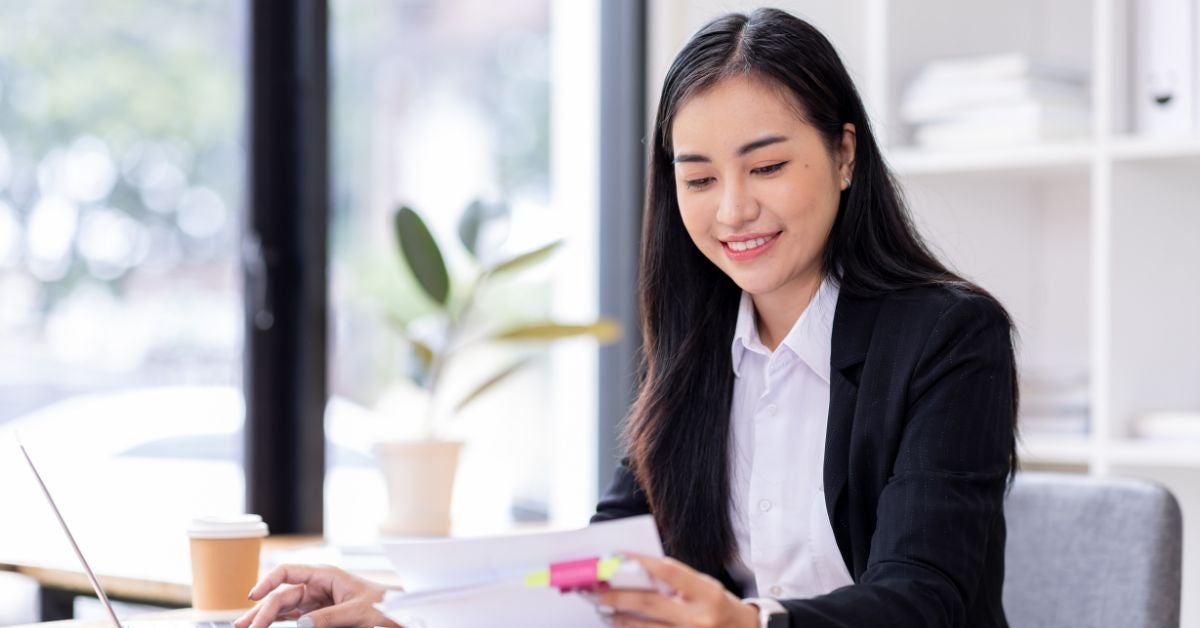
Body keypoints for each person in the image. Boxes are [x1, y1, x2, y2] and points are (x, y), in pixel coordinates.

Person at [235, 7, 1018, 628]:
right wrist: (403, 605)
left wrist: (748, 624)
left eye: (769, 166)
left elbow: (925, 598)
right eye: (700, 178)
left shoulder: (949, 339)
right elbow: (598, 568)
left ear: (845, 155)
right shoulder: (694, 347)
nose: (735, 207)